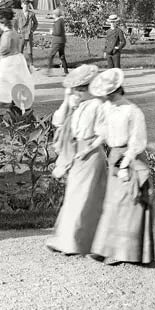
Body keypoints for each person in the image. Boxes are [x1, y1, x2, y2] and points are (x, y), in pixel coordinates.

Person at [88, 68, 155, 266]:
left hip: (131, 158)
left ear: (119, 90)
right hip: (114, 156)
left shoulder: (133, 111)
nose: (107, 98)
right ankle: (104, 248)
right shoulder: (108, 108)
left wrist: (125, 164)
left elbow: (137, 142)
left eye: (110, 94)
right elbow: (103, 131)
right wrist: (92, 146)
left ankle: (127, 251)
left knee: (128, 204)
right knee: (112, 204)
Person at [46, 64, 106, 255]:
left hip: (91, 154)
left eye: (81, 90)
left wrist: (88, 148)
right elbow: (57, 121)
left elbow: (104, 133)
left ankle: (76, 242)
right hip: (77, 152)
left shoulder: (98, 105)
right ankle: (68, 238)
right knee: (74, 196)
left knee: (85, 197)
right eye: (76, 90)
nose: (77, 93)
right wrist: (66, 100)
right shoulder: (77, 105)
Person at [0, 9, 33, 106]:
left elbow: (5, 49)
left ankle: (6, 99)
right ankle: (13, 98)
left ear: (2, 24)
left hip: (9, 59)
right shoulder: (14, 32)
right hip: (17, 57)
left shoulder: (7, 35)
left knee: (4, 79)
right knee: (16, 79)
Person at [46, 5, 69, 74]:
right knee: (62, 56)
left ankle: (49, 71)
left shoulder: (58, 22)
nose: (52, 15)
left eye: (53, 14)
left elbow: (58, 32)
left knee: (51, 55)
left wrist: (52, 32)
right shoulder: (60, 21)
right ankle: (66, 71)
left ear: (55, 15)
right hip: (62, 41)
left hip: (57, 41)